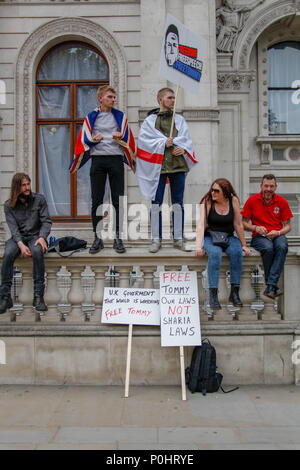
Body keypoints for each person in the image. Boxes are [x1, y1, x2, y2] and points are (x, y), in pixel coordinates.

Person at [69, 85, 136, 254]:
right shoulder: (91, 116)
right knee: (96, 200)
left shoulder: (120, 116)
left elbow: (129, 138)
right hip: (98, 160)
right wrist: (93, 139)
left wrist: (120, 136)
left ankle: (118, 238)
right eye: (109, 97)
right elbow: (83, 138)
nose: (113, 99)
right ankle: (98, 238)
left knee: (117, 199)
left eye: (114, 97)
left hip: (115, 159)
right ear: (101, 98)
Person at [136, 87, 197, 253]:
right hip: (158, 168)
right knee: (156, 204)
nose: (172, 101)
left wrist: (182, 149)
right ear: (160, 99)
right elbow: (144, 142)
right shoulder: (150, 121)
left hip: (177, 165)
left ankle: (178, 238)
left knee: (178, 203)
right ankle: (156, 239)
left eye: (174, 98)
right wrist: (163, 143)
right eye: (169, 98)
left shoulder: (180, 119)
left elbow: (186, 140)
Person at [0, 173, 52, 314]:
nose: (27, 187)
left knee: (37, 251)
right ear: (17, 187)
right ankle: (5, 296)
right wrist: (21, 245)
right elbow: (14, 230)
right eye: (24, 185)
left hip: (36, 236)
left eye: (28, 184)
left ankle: (38, 296)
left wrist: (42, 237)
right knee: (9, 253)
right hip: (19, 238)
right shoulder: (8, 205)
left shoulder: (39, 199)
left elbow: (46, 221)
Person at [196, 178, 251, 309]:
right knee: (215, 253)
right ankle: (213, 295)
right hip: (211, 237)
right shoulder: (207, 201)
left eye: (216, 191)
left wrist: (244, 244)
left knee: (237, 252)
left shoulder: (233, 200)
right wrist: (198, 246)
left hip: (228, 236)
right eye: (212, 190)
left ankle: (234, 292)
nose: (213, 193)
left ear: (225, 193)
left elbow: (238, 224)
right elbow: (201, 224)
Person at [241, 174, 293, 299]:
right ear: (261, 186)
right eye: (266, 186)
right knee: (268, 249)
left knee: (282, 246)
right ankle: (272, 285)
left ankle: (270, 285)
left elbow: (288, 226)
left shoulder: (282, 201)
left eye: (271, 186)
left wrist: (278, 232)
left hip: (277, 234)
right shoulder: (252, 200)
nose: (268, 189)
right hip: (259, 237)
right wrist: (255, 228)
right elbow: (242, 223)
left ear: (275, 187)